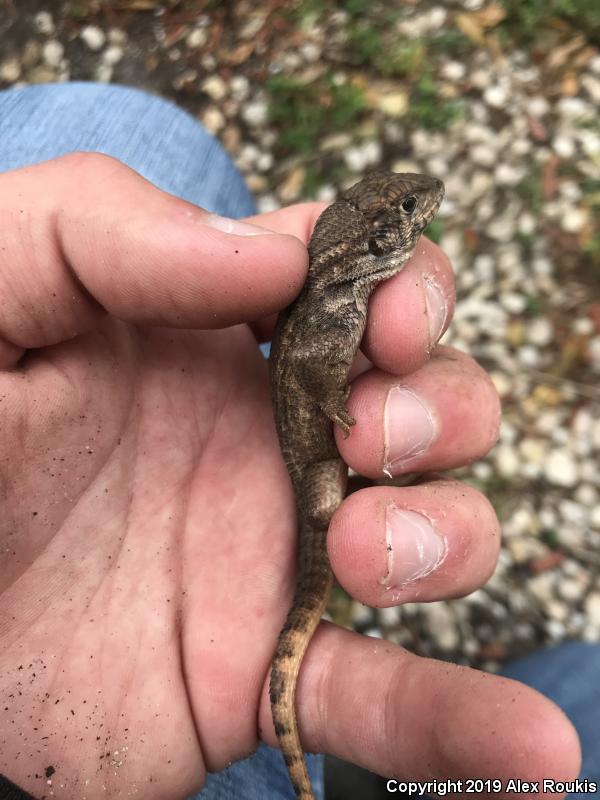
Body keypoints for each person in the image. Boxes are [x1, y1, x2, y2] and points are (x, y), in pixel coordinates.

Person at [0, 83, 595, 800]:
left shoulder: (341, 295)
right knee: (335, 517)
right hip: (312, 464)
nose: (421, 206)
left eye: (407, 204)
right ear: (377, 242)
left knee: (142, 127)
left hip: (270, 451)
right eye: (407, 211)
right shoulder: (331, 303)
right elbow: (315, 370)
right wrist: (338, 408)